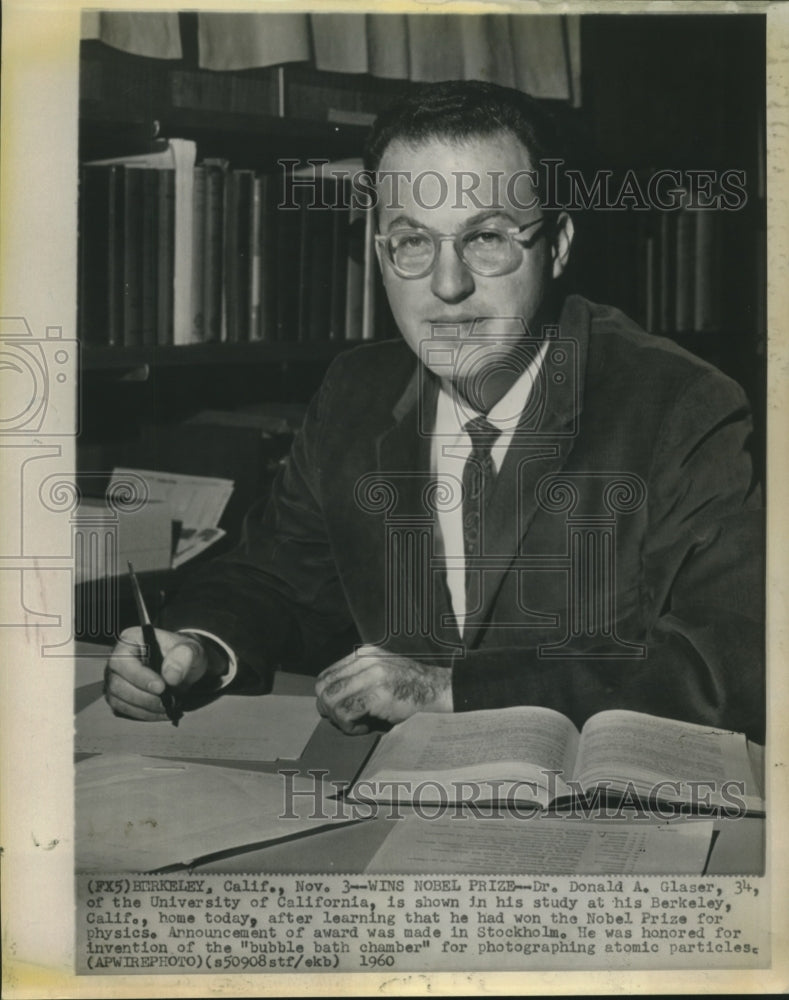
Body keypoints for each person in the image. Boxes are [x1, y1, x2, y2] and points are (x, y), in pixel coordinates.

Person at [104, 80, 764, 742]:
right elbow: (274, 578)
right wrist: (197, 647)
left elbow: (732, 660)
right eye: (412, 241)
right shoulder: (355, 393)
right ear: (379, 252)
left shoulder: (677, 403)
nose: (447, 286)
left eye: (486, 238)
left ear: (557, 244)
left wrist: (450, 692)